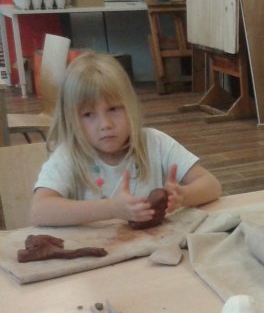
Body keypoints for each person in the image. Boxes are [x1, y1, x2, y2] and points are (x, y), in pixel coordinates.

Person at [31, 52, 222, 226]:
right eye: (88, 114)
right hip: (96, 250)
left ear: (130, 106)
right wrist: (112, 209)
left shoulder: (155, 143)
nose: (105, 124)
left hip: (155, 246)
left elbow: (212, 185)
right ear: (71, 120)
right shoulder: (69, 155)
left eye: (113, 109)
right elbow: (39, 211)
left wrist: (183, 196)